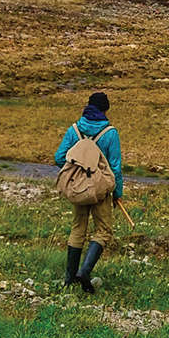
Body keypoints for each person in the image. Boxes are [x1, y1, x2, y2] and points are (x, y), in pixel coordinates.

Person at [55, 91, 123, 292]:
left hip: (78, 189)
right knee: (103, 231)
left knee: (78, 228)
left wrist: (77, 169)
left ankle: (69, 280)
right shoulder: (110, 133)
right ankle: (84, 272)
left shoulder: (74, 130)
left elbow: (59, 157)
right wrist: (117, 192)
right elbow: (115, 167)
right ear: (105, 110)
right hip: (100, 191)